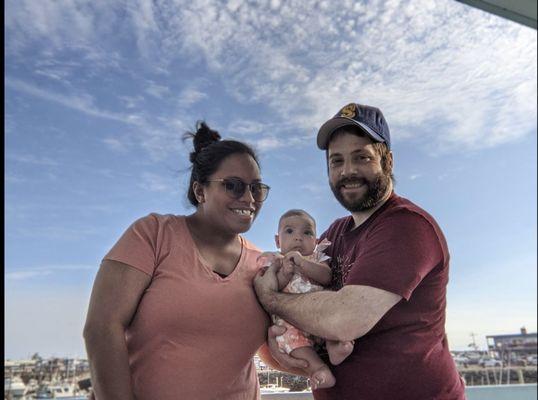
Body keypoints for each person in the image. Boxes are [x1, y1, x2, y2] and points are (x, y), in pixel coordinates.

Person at [253, 103, 466, 399]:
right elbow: (306, 321)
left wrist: (271, 298)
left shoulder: (406, 226)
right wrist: (287, 352)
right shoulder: (332, 235)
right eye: (336, 161)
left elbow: (342, 320)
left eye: (361, 157)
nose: (347, 171)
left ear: (388, 161)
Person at [83, 121, 278, 399]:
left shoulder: (262, 264)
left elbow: (269, 349)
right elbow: (102, 328)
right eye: (233, 186)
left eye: (256, 188)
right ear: (200, 192)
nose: (248, 198)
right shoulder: (153, 234)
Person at [257, 209, 354, 390]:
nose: (298, 238)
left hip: (320, 313)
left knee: (333, 319)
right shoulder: (274, 261)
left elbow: (326, 276)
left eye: (307, 232)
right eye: (289, 231)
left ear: (315, 241)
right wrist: (284, 274)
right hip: (291, 323)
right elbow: (269, 289)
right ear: (277, 241)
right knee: (289, 341)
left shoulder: (318, 258)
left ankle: (335, 348)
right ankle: (319, 370)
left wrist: (303, 263)